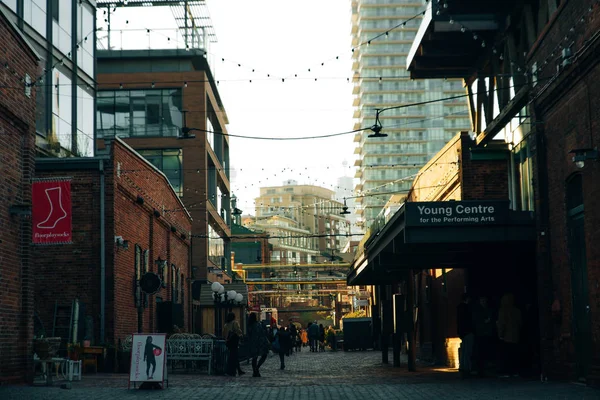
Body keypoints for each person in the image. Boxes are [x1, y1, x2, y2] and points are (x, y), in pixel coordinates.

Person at [497, 293, 522, 378]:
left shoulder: (503, 310)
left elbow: (502, 324)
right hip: (516, 336)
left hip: (506, 337)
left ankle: (507, 371)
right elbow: (520, 323)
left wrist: (500, 334)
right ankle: (515, 371)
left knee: (506, 355)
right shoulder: (517, 311)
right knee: (514, 355)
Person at [472, 295, 495, 377]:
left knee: (484, 351)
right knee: (481, 352)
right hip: (481, 333)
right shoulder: (479, 311)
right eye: (482, 300)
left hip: (485, 333)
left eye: (484, 300)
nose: (484, 302)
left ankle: (483, 369)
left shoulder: (486, 310)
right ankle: (481, 370)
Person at [457, 294, 474, 379]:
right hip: (468, 332)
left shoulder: (459, 308)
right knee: (468, 351)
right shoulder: (467, 309)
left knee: (464, 351)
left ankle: (462, 367)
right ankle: (467, 368)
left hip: (462, 333)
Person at [247, 312, 270, 377]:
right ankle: (256, 368)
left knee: (254, 357)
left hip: (253, 342)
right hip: (260, 342)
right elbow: (263, 333)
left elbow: (249, 334)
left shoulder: (249, 325)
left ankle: (255, 371)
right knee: (264, 355)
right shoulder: (258, 324)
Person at [223, 312, 244, 376]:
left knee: (233, 355)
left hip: (228, 342)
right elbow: (238, 331)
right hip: (234, 341)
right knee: (234, 356)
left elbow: (224, 334)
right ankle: (231, 371)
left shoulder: (226, 325)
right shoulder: (235, 323)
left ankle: (238, 370)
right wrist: (241, 335)